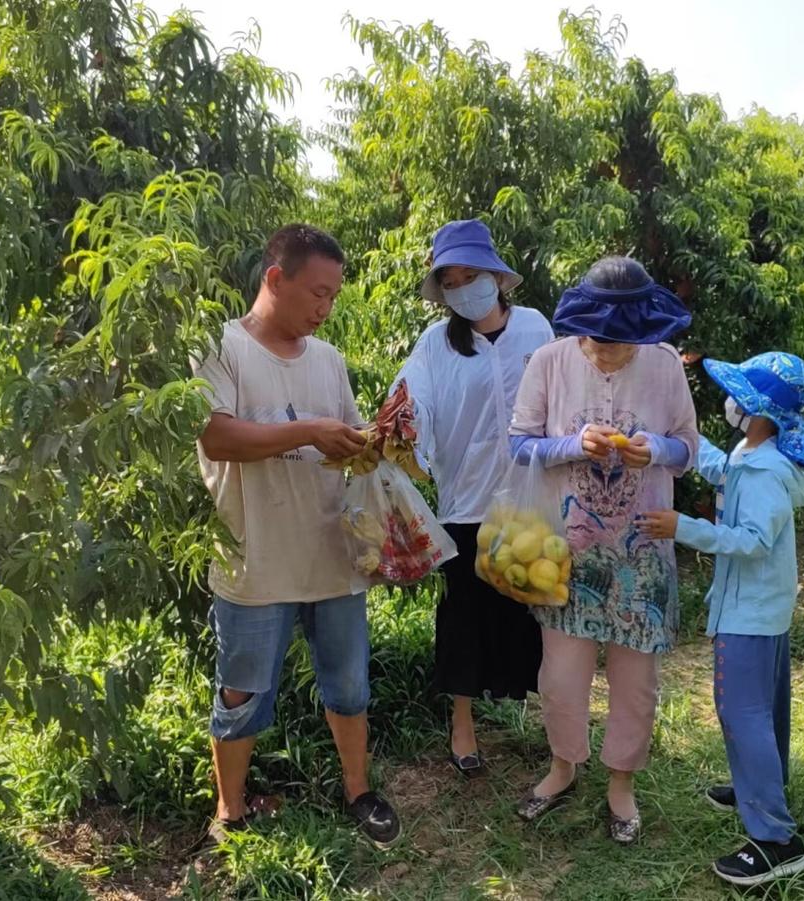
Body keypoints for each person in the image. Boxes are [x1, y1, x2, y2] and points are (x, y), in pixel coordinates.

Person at [192, 224, 400, 847]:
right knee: (243, 688)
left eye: (334, 296)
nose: (325, 308)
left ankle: (359, 790)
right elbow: (216, 436)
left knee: (349, 681)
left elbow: (342, 439)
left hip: (332, 552)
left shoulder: (329, 360)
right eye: (317, 293)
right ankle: (230, 811)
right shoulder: (221, 348)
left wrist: (376, 437)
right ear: (275, 279)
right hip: (254, 558)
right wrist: (309, 430)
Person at [506, 256, 698, 843]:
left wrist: (657, 450)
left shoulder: (665, 365)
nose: (612, 350)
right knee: (561, 677)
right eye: (601, 339)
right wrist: (571, 444)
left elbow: (689, 448)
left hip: (642, 552)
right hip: (563, 551)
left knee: (636, 681)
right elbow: (518, 444)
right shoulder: (549, 361)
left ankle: (621, 784)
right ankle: (563, 767)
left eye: (625, 341)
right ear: (582, 326)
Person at [639, 351, 804, 885]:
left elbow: (753, 540)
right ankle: (762, 790)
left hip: (748, 610)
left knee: (741, 715)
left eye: (740, 395)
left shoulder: (766, 471)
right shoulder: (756, 450)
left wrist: (683, 527)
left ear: (757, 409)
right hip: (762, 606)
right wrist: (685, 442)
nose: (731, 402)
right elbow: (724, 469)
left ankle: (776, 839)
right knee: (766, 709)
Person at [394, 219, 554, 775]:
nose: (464, 287)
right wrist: (401, 423)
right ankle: (463, 725)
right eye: (452, 280)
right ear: (443, 291)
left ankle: (544, 716)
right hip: (466, 501)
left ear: (497, 277)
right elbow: (412, 398)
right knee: (462, 614)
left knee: (533, 608)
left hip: (531, 500)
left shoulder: (536, 328)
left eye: (472, 274)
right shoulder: (435, 344)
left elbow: (561, 396)